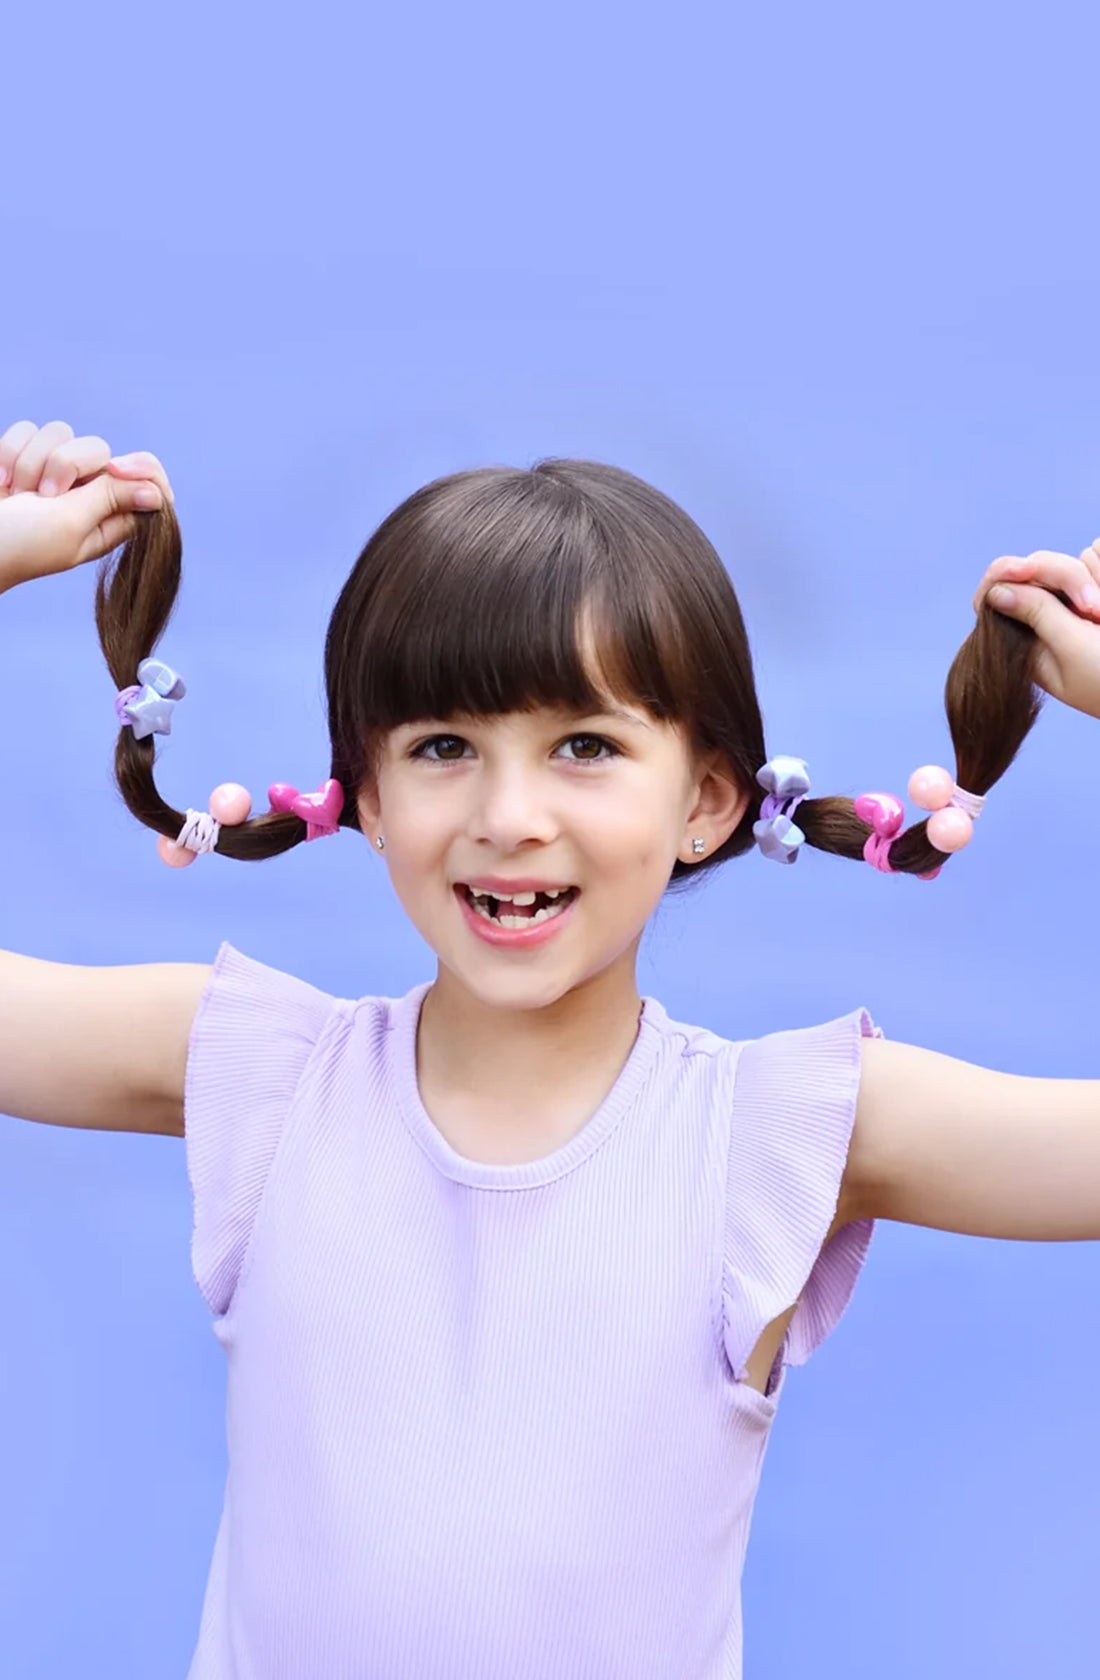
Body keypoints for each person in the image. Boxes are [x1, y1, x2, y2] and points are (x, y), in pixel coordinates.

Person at [1, 417, 1098, 1680]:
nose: (506, 817)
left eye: (585, 746)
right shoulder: (260, 1072)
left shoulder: (778, 1131)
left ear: (705, 801)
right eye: (440, 749)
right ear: (361, 798)